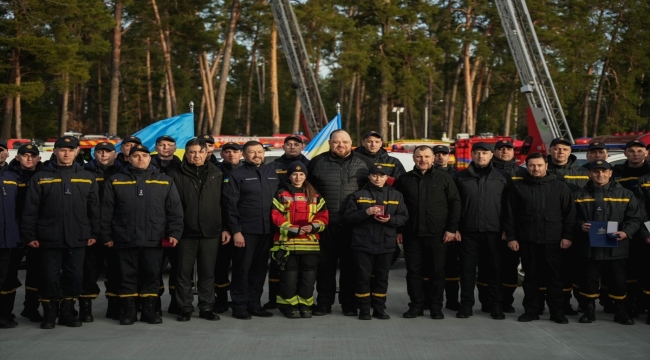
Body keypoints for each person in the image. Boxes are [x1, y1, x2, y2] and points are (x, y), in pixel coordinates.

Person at [21, 136, 100, 329]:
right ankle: (50, 314)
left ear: (77, 151)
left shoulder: (87, 177)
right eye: (62, 149)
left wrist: (94, 233)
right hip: (48, 238)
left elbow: (94, 210)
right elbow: (30, 209)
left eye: (70, 150)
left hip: (78, 237)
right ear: (54, 151)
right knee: (49, 276)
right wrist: (30, 236)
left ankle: (67, 312)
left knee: (74, 276)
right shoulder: (40, 177)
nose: (66, 153)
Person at [100, 144, 183, 325]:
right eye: (136, 156)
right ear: (128, 158)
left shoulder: (164, 181)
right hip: (124, 238)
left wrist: (174, 233)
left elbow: (174, 211)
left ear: (150, 158)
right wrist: (106, 236)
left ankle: (149, 310)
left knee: (151, 275)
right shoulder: (115, 180)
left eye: (144, 156)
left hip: (155, 239)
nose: (140, 159)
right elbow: (106, 211)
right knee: (126, 275)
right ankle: (128, 311)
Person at [307, 129, 374, 316]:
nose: (341, 145)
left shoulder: (365, 163)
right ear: (330, 143)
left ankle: (349, 304)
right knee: (325, 268)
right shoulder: (317, 162)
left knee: (350, 268)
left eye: (344, 142)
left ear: (351, 142)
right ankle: (323, 304)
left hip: (354, 226)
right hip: (325, 225)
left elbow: (374, 191)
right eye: (336, 142)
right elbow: (307, 190)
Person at [504, 153, 576, 324]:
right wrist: (512, 238)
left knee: (555, 278)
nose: (535, 169)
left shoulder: (560, 188)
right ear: (526, 167)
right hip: (528, 241)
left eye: (539, 165)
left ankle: (557, 312)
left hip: (554, 242)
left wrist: (567, 236)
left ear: (546, 166)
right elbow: (509, 215)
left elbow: (570, 215)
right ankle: (531, 311)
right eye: (531, 165)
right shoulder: (518, 188)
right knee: (530, 278)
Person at [395, 145, 461, 319]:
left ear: (432, 159)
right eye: (419, 156)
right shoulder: (404, 179)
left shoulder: (445, 178)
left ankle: (435, 307)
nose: (422, 160)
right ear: (413, 158)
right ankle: (416, 306)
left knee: (437, 272)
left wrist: (451, 229)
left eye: (426, 156)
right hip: (412, 234)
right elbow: (398, 207)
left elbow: (455, 204)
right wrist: (399, 230)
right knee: (414, 272)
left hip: (438, 235)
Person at [574, 160, 641, 325]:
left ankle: (620, 311)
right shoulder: (579, 195)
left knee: (618, 281)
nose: (600, 175)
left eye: (604, 171)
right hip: (590, 247)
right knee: (589, 280)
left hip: (617, 247)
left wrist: (626, 232)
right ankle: (589, 310)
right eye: (596, 172)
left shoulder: (625, 194)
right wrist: (580, 225)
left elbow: (635, 218)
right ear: (590, 174)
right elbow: (570, 219)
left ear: (610, 173)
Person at [167, 139, 225, 322]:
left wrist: (225, 228)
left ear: (206, 153)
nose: (196, 155)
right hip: (185, 232)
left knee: (207, 273)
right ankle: (184, 307)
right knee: (183, 273)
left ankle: (207, 307)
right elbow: (170, 205)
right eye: (192, 152)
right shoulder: (175, 174)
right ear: (186, 154)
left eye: (199, 152)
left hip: (211, 232)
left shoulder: (216, 173)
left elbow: (224, 203)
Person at [453, 142, 511, 320]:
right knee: (467, 270)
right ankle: (466, 305)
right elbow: (455, 205)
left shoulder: (502, 177)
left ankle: (495, 306)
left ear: (492, 155)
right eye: (477, 153)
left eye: (484, 153)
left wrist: (508, 229)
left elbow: (508, 206)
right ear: (472, 155)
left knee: (494, 270)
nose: (481, 156)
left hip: (494, 232)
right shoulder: (460, 177)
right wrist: (454, 227)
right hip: (468, 232)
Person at [222, 141, 280, 319]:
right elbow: (229, 205)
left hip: (267, 230)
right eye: (252, 152)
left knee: (260, 270)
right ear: (244, 155)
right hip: (246, 231)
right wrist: (236, 231)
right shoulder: (237, 175)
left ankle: (255, 304)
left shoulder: (272, 173)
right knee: (242, 269)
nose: (257, 155)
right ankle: (239, 305)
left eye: (259, 152)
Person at [345, 165, 408, 320]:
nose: (378, 178)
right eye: (374, 175)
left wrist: (390, 220)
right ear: (369, 177)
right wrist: (365, 212)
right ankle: (364, 309)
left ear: (387, 178)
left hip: (386, 244)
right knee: (362, 277)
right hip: (362, 243)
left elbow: (404, 217)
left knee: (382, 277)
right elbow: (348, 217)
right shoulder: (358, 195)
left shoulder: (396, 195)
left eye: (381, 176)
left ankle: (379, 309)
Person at [270, 161, 328, 319]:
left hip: (310, 245)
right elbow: (276, 216)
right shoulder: (281, 194)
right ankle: (288, 306)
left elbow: (323, 217)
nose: (298, 177)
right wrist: (292, 228)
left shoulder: (315, 195)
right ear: (289, 176)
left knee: (308, 279)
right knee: (289, 278)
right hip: (287, 244)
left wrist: (313, 227)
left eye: (301, 174)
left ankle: (305, 305)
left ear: (305, 176)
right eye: (294, 174)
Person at [77, 141, 123, 322]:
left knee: (116, 272)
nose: (104, 155)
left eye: (108, 152)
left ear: (115, 155)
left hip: (115, 231)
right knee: (88, 272)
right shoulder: (84, 173)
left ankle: (114, 307)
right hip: (91, 231)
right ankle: (85, 309)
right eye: (100, 152)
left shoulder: (123, 173)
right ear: (94, 155)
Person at [265, 135, 311, 310]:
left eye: (296, 144)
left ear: (302, 146)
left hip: (303, 225)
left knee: (300, 269)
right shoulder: (273, 166)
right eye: (289, 144)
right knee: (277, 264)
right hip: (278, 220)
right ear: (283, 147)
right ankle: (273, 298)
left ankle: (299, 299)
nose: (292, 147)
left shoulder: (310, 164)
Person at [545, 137, 590, 316]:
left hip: (578, 229)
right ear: (550, 151)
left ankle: (581, 303)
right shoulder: (542, 170)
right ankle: (559, 304)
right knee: (555, 270)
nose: (560, 152)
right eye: (556, 148)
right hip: (550, 228)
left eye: (564, 149)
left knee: (578, 269)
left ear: (570, 151)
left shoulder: (583, 172)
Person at [0, 145, 43, 327]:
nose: (29, 159)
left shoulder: (44, 175)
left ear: (38, 158)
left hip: (37, 233)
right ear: (17, 157)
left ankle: (31, 308)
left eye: (32, 156)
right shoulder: (9, 176)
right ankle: (5, 313)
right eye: (25, 156)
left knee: (36, 274)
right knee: (8, 275)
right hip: (14, 234)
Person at [612, 140, 650, 318]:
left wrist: (647, 231)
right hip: (622, 228)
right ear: (625, 153)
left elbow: (643, 209)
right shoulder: (617, 172)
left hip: (645, 229)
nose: (636, 154)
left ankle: (643, 304)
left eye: (639, 150)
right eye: (631, 151)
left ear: (646, 153)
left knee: (645, 269)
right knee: (627, 269)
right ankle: (629, 303)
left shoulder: (648, 174)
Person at [487, 139, 522, 314]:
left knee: (510, 267)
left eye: (508, 149)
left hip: (513, 229)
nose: (505, 152)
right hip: (491, 227)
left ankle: (507, 300)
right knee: (489, 266)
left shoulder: (522, 172)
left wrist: (511, 231)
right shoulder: (488, 170)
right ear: (494, 152)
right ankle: (489, 301)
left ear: (513, 152)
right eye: (501, 149)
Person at [431, 144, 461, 310]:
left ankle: (452, 300)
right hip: (432, 228)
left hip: (451, 228)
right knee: (431, 267)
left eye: (444, 154)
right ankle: (431, 299)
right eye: (437, 154)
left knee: (452, 267)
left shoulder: (457, 176)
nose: (440, 157)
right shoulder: (427, 175)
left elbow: (458, 203)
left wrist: (455, 227)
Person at [214, 142, 242, 313]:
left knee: (241, 267)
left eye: (235, 151)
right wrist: (225, 227)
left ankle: (240, 300)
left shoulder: (248, 171)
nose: (231, 155)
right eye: (227, 152)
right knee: (220, 267)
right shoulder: (215, 172)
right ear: (222, 154)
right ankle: (221, 300)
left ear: (241, 154)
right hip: (222, 228)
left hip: (243, 228)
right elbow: (217, 203)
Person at [0, 153, 22, 328]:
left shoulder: (13, 176)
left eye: (1, 149)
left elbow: (20, 208)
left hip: (8, 239)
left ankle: (4, 314)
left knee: (7, 278)